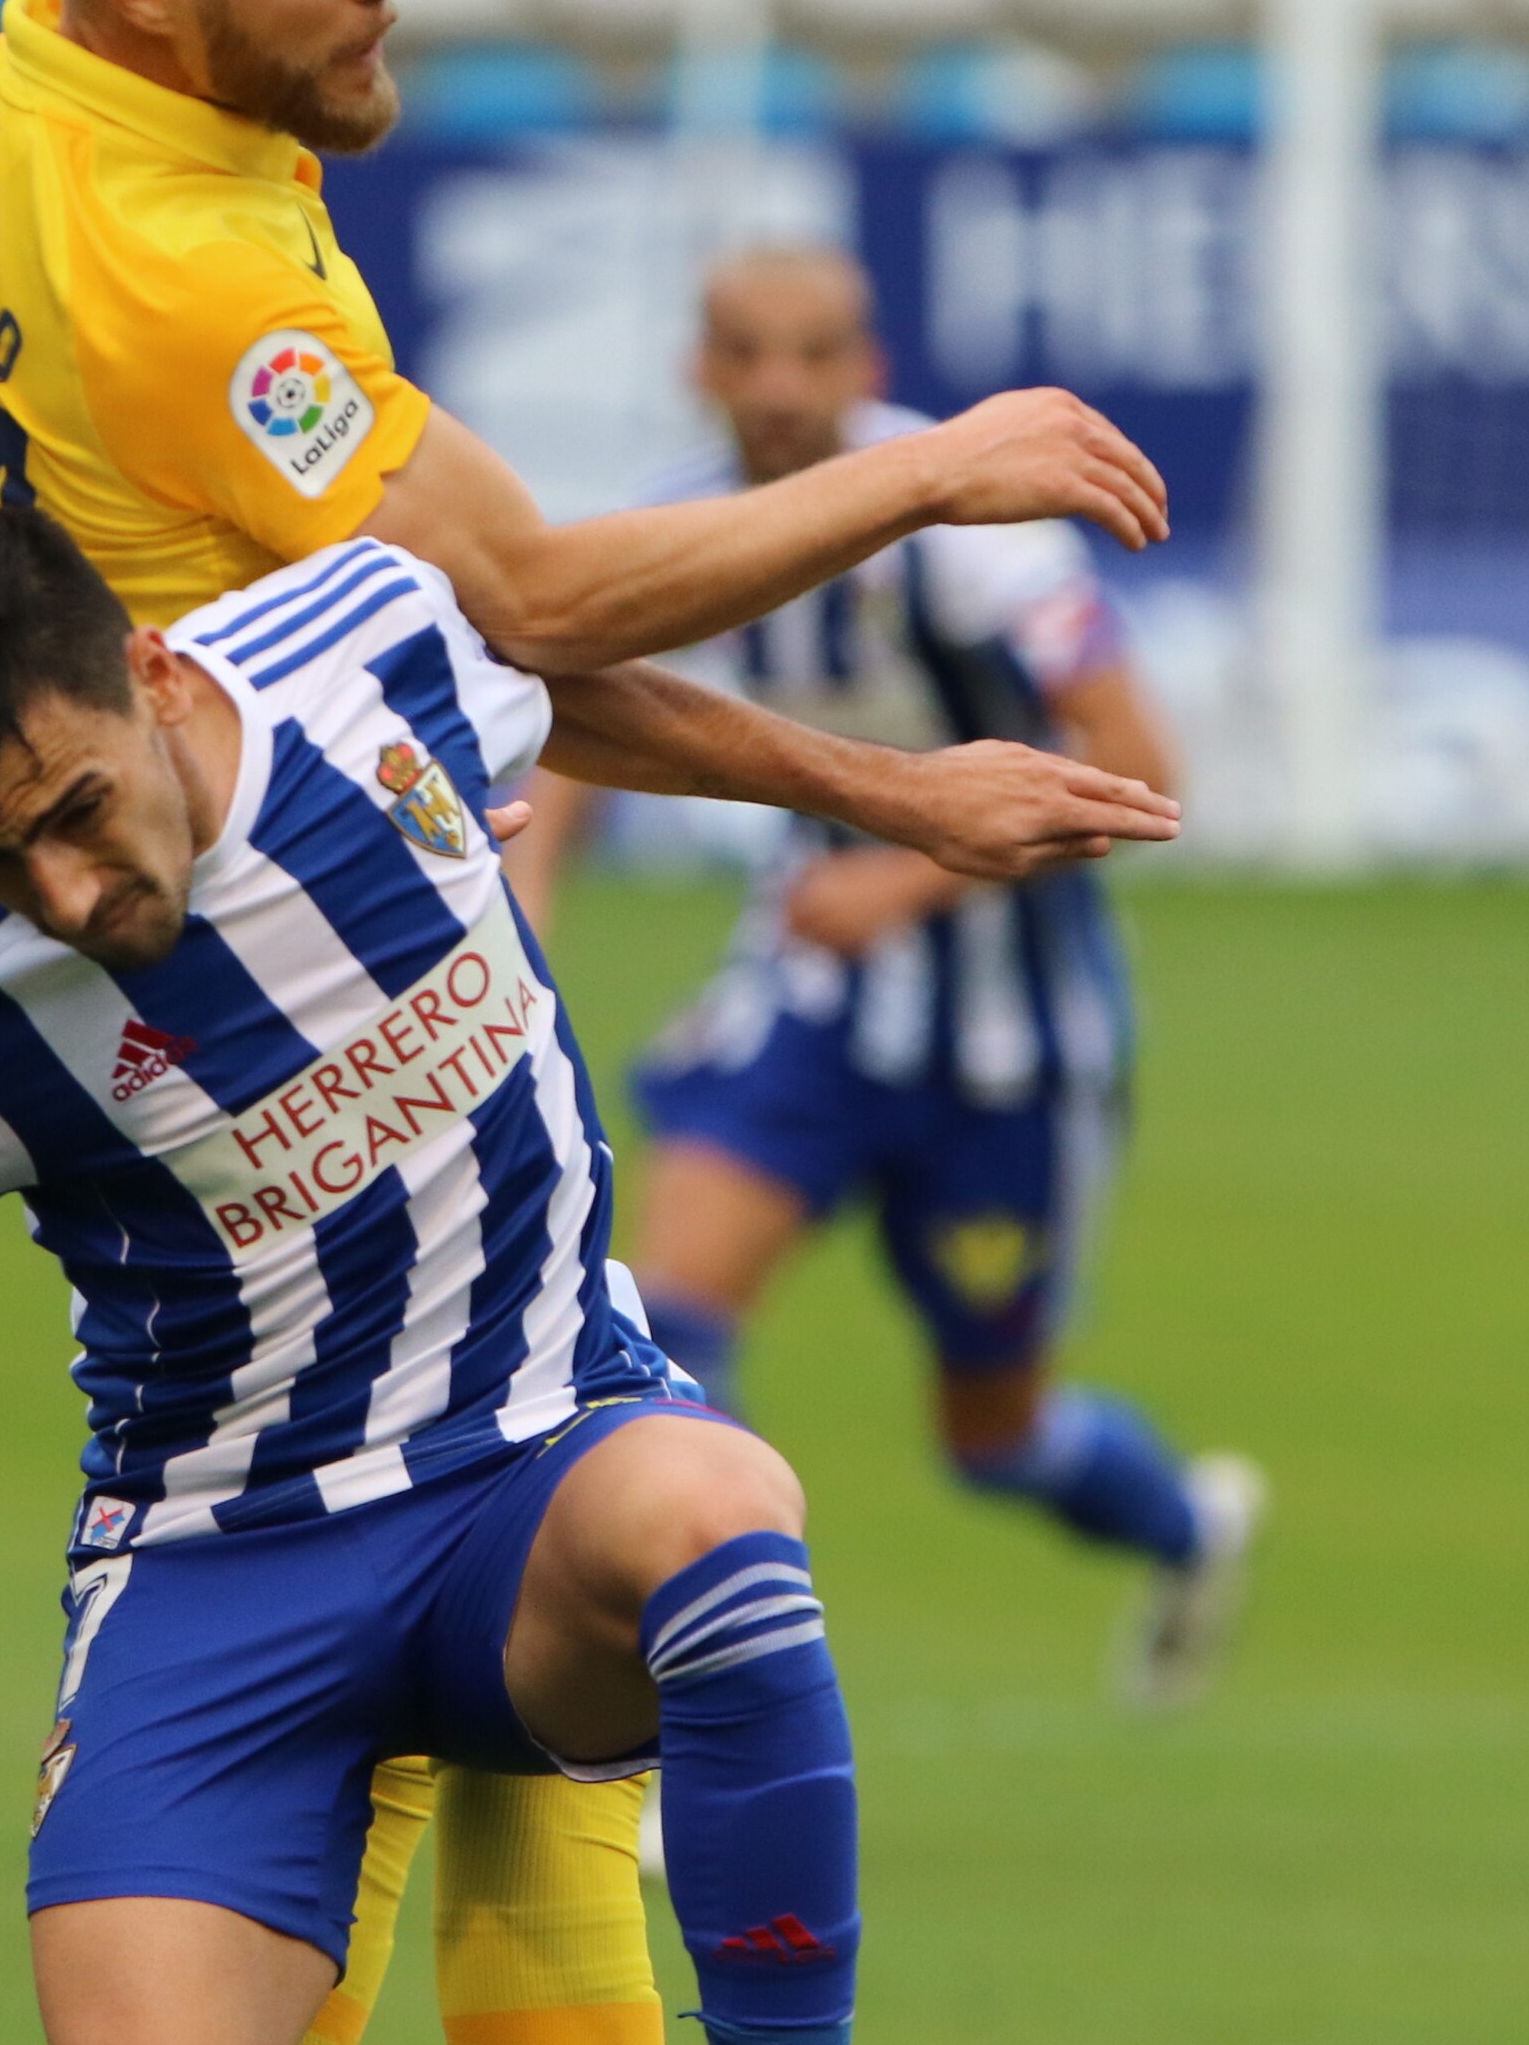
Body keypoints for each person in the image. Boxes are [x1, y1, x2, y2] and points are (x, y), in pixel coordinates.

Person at [0, 0, 1177, 2045]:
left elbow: (458, 653)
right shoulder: (195, 268)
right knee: (494, 1575)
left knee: (497, 1614)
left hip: (141, 945)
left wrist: (870, 786)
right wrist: (904, 474)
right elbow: (552, 612)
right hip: (270, 977)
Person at [0, 511, 1181, 2045]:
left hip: (527, 1473)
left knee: (725, 1519)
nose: (61, 889)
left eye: (74, 808)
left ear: (149, 673)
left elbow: (570, 690)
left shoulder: (368, 646)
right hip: (219, 1569)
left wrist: (886, 792)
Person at [513, 249, 1264, 1707]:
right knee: (666, 1318)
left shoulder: (980, 540)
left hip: (1011, 1052)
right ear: (700, 370)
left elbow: (1141, 767)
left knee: (994, 1437)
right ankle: (710, 1696)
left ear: (866, 370)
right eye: (747, 353)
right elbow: (566, 718)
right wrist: (521, 924)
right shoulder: (685, 525)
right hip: (804, 1008)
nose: (780, 387)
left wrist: (904, 866)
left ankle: (1185, 1526)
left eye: (813, 355)